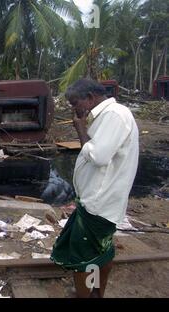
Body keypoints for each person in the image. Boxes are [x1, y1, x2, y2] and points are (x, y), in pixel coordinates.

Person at [51, 78, 139, 298]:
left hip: (98, 203)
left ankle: (88, 295)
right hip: (100, 200)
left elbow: (98, 157)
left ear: (90, 97)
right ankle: (96, 293)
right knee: (103, 251)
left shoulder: (113, 116)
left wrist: (81, 130)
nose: (74, 109)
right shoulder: (110, 115)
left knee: (86, 259)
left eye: (75, 103)